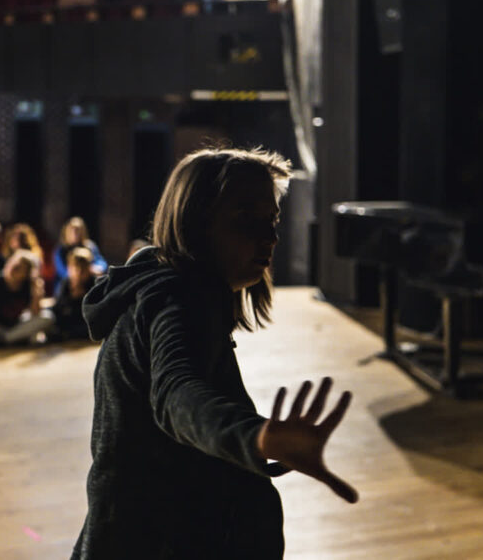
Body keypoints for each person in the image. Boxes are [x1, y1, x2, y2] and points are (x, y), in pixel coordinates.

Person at [72, 148, 358, 559]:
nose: (271, 238)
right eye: (246, 219)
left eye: (272, 220)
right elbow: (177, 394)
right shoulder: (179, 301)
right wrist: (255, 436)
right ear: (196, 223)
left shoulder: (160, 287)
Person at [0, 249, 55, 346]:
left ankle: (5, 339)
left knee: (48, 317)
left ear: (26, 274)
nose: (12, 269)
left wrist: (37, 294)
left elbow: (35, 313)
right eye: (12, 264)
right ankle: (13, 338)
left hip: (18, 324)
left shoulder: (28, 285)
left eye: (18, 268)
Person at [50, 247, 96, 341]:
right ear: (69, 268)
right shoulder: (66, 283)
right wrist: (71, 298)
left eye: (83, 268)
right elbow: (57, 308)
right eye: (76, 268)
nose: (79, 272)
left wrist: (84, 297)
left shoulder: (95, 283)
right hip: (70, 321)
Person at [53, 217, 107, 292]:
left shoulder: (90, 246)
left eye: (77, 231)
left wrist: (95, 269)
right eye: (72, 231)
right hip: (68, 285)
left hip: (87, 282)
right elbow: (62, 270)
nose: (74, 234)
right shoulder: (61, 250)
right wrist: (78, 274)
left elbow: (101, 263)